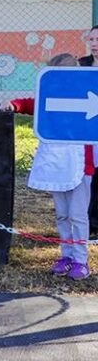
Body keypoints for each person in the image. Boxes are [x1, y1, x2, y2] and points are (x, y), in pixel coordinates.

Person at [3, 53, 92, 281]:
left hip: (81, 164)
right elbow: (33, 104)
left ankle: (81, 260)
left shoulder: (88, 93)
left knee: (77, 215)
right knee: (62, 215)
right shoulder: (50, 94)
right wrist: (15, 105)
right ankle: (66, 256)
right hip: (57, 162)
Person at [78, 26, 98, 235]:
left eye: (97, 39)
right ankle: (88, 222)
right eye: (91, 39)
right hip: (86, 130)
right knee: (88, 178)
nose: (94, 44)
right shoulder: (81, 65)